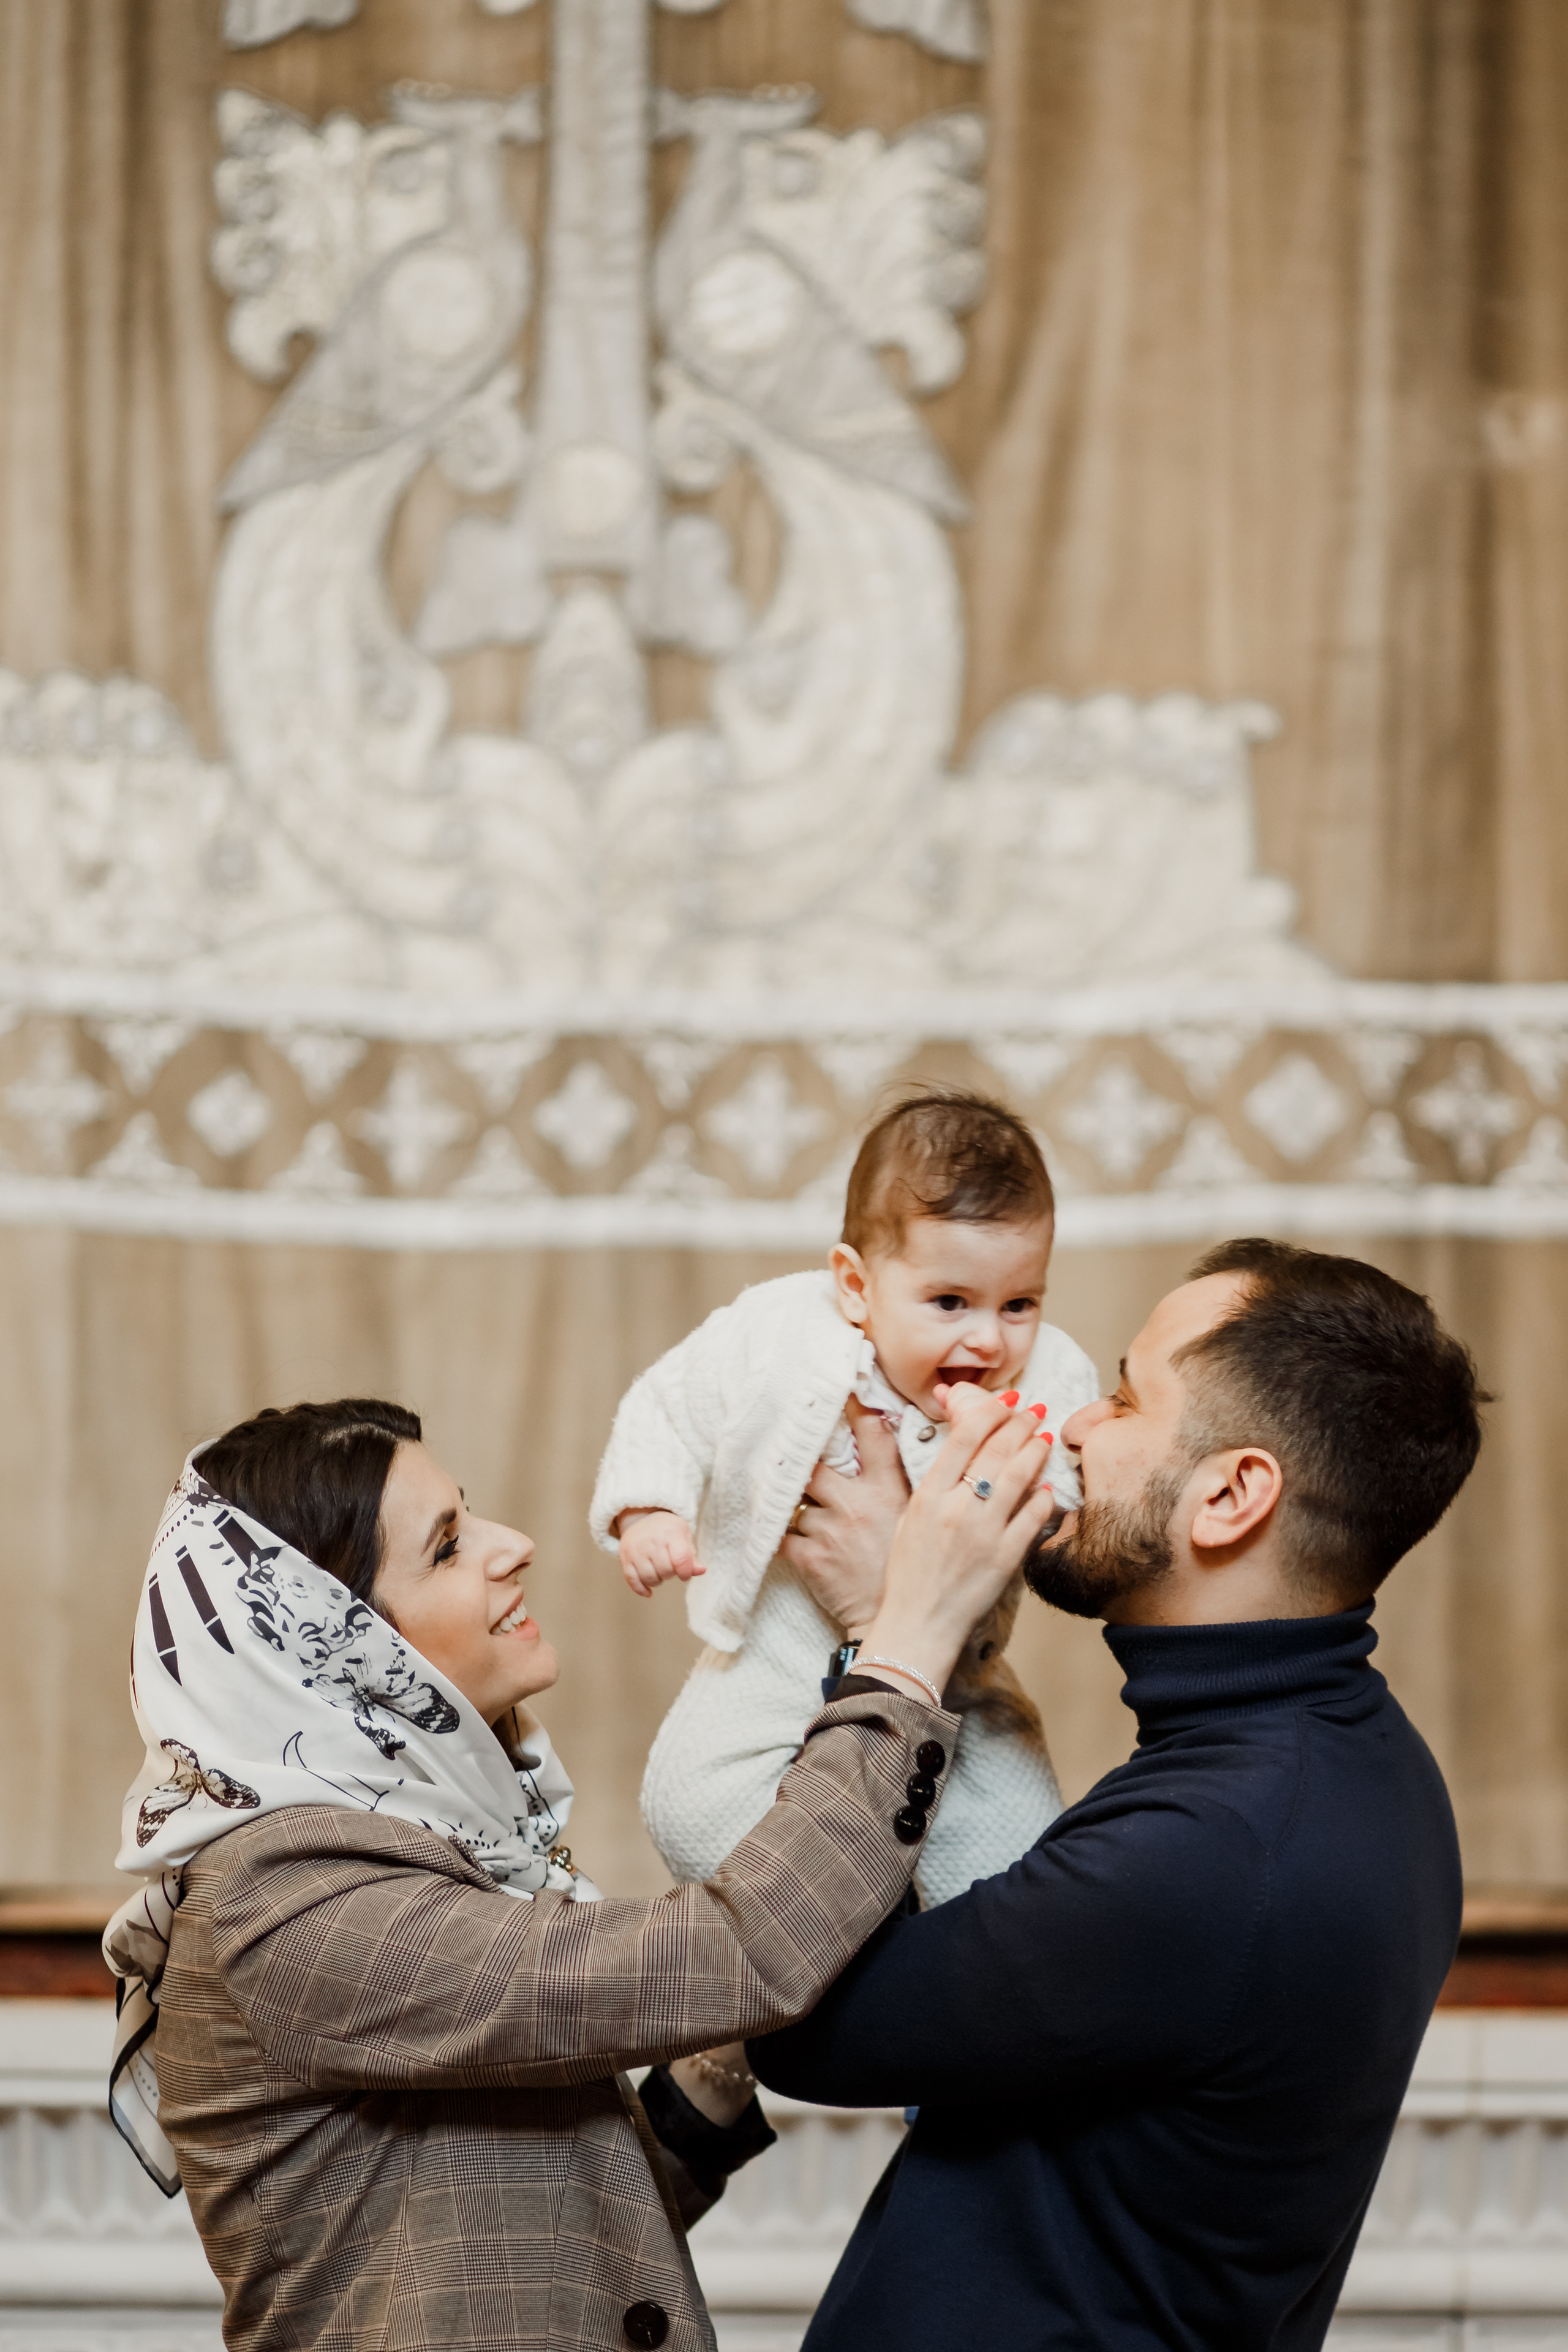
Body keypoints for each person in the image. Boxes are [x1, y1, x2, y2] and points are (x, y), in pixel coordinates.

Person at [102, 1389, 1055, 2352]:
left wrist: (724, 2057)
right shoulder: (285, 1902)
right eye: (446, 1546)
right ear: (336, 1653)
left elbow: (531, 2254)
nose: (510, 1542)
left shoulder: (421, 1847)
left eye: (470, 1514)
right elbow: (739, 1950)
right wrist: (912, 1635)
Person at [752, 1238, 1487, 2352]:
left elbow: (796, 2019)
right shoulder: (1360, 1761)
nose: (1074, 1424)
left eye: (1126, 1399)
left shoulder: (1216, 1848)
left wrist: (897, 1634)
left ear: (1232, 1495)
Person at [590, 1091, 1101, 1907]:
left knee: (1025, 1850)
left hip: (960, 1675)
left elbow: (1079, 1493)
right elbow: (671, 1404)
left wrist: (1038, 1479)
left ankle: (928, 1980)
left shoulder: (1050, 1378)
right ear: (857, 1285)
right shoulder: (778, 1331)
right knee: (692, 1806)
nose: (990, 1340)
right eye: (949, 1303)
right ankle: (822, 1939)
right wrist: (648, 1510)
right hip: (778, 1644)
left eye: (1020, 1304)